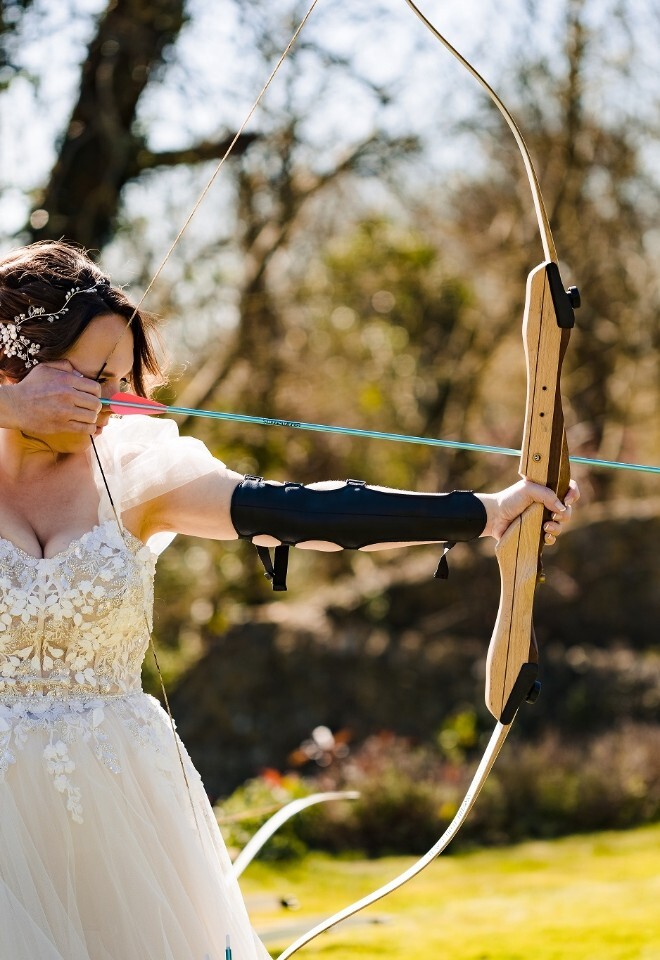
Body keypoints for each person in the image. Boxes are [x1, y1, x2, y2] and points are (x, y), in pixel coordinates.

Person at [0, 241, 578, 960]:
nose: (114, 404)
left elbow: (303, 512)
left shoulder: (135, 469)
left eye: (121, 381)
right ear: (19, 359)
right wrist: (9, 407)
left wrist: (487, 513)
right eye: (94, 379)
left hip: (122, 799)